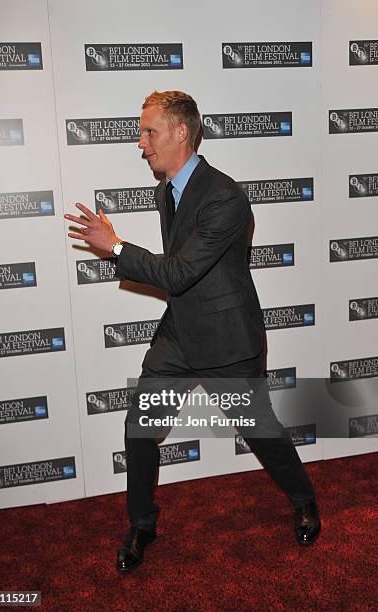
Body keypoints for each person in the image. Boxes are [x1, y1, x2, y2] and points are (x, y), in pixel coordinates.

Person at [65, 90, 321, 573]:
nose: (141, 143)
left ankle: (304, 498)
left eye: (149, 132)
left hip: (227, 339)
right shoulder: (167, 190)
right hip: (179, 336)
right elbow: (181, 277)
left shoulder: (224, 195)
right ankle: (142, 524)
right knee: (139, 427)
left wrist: (115, 246)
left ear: (181, 132)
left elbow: (181, 272)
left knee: (260, 431)